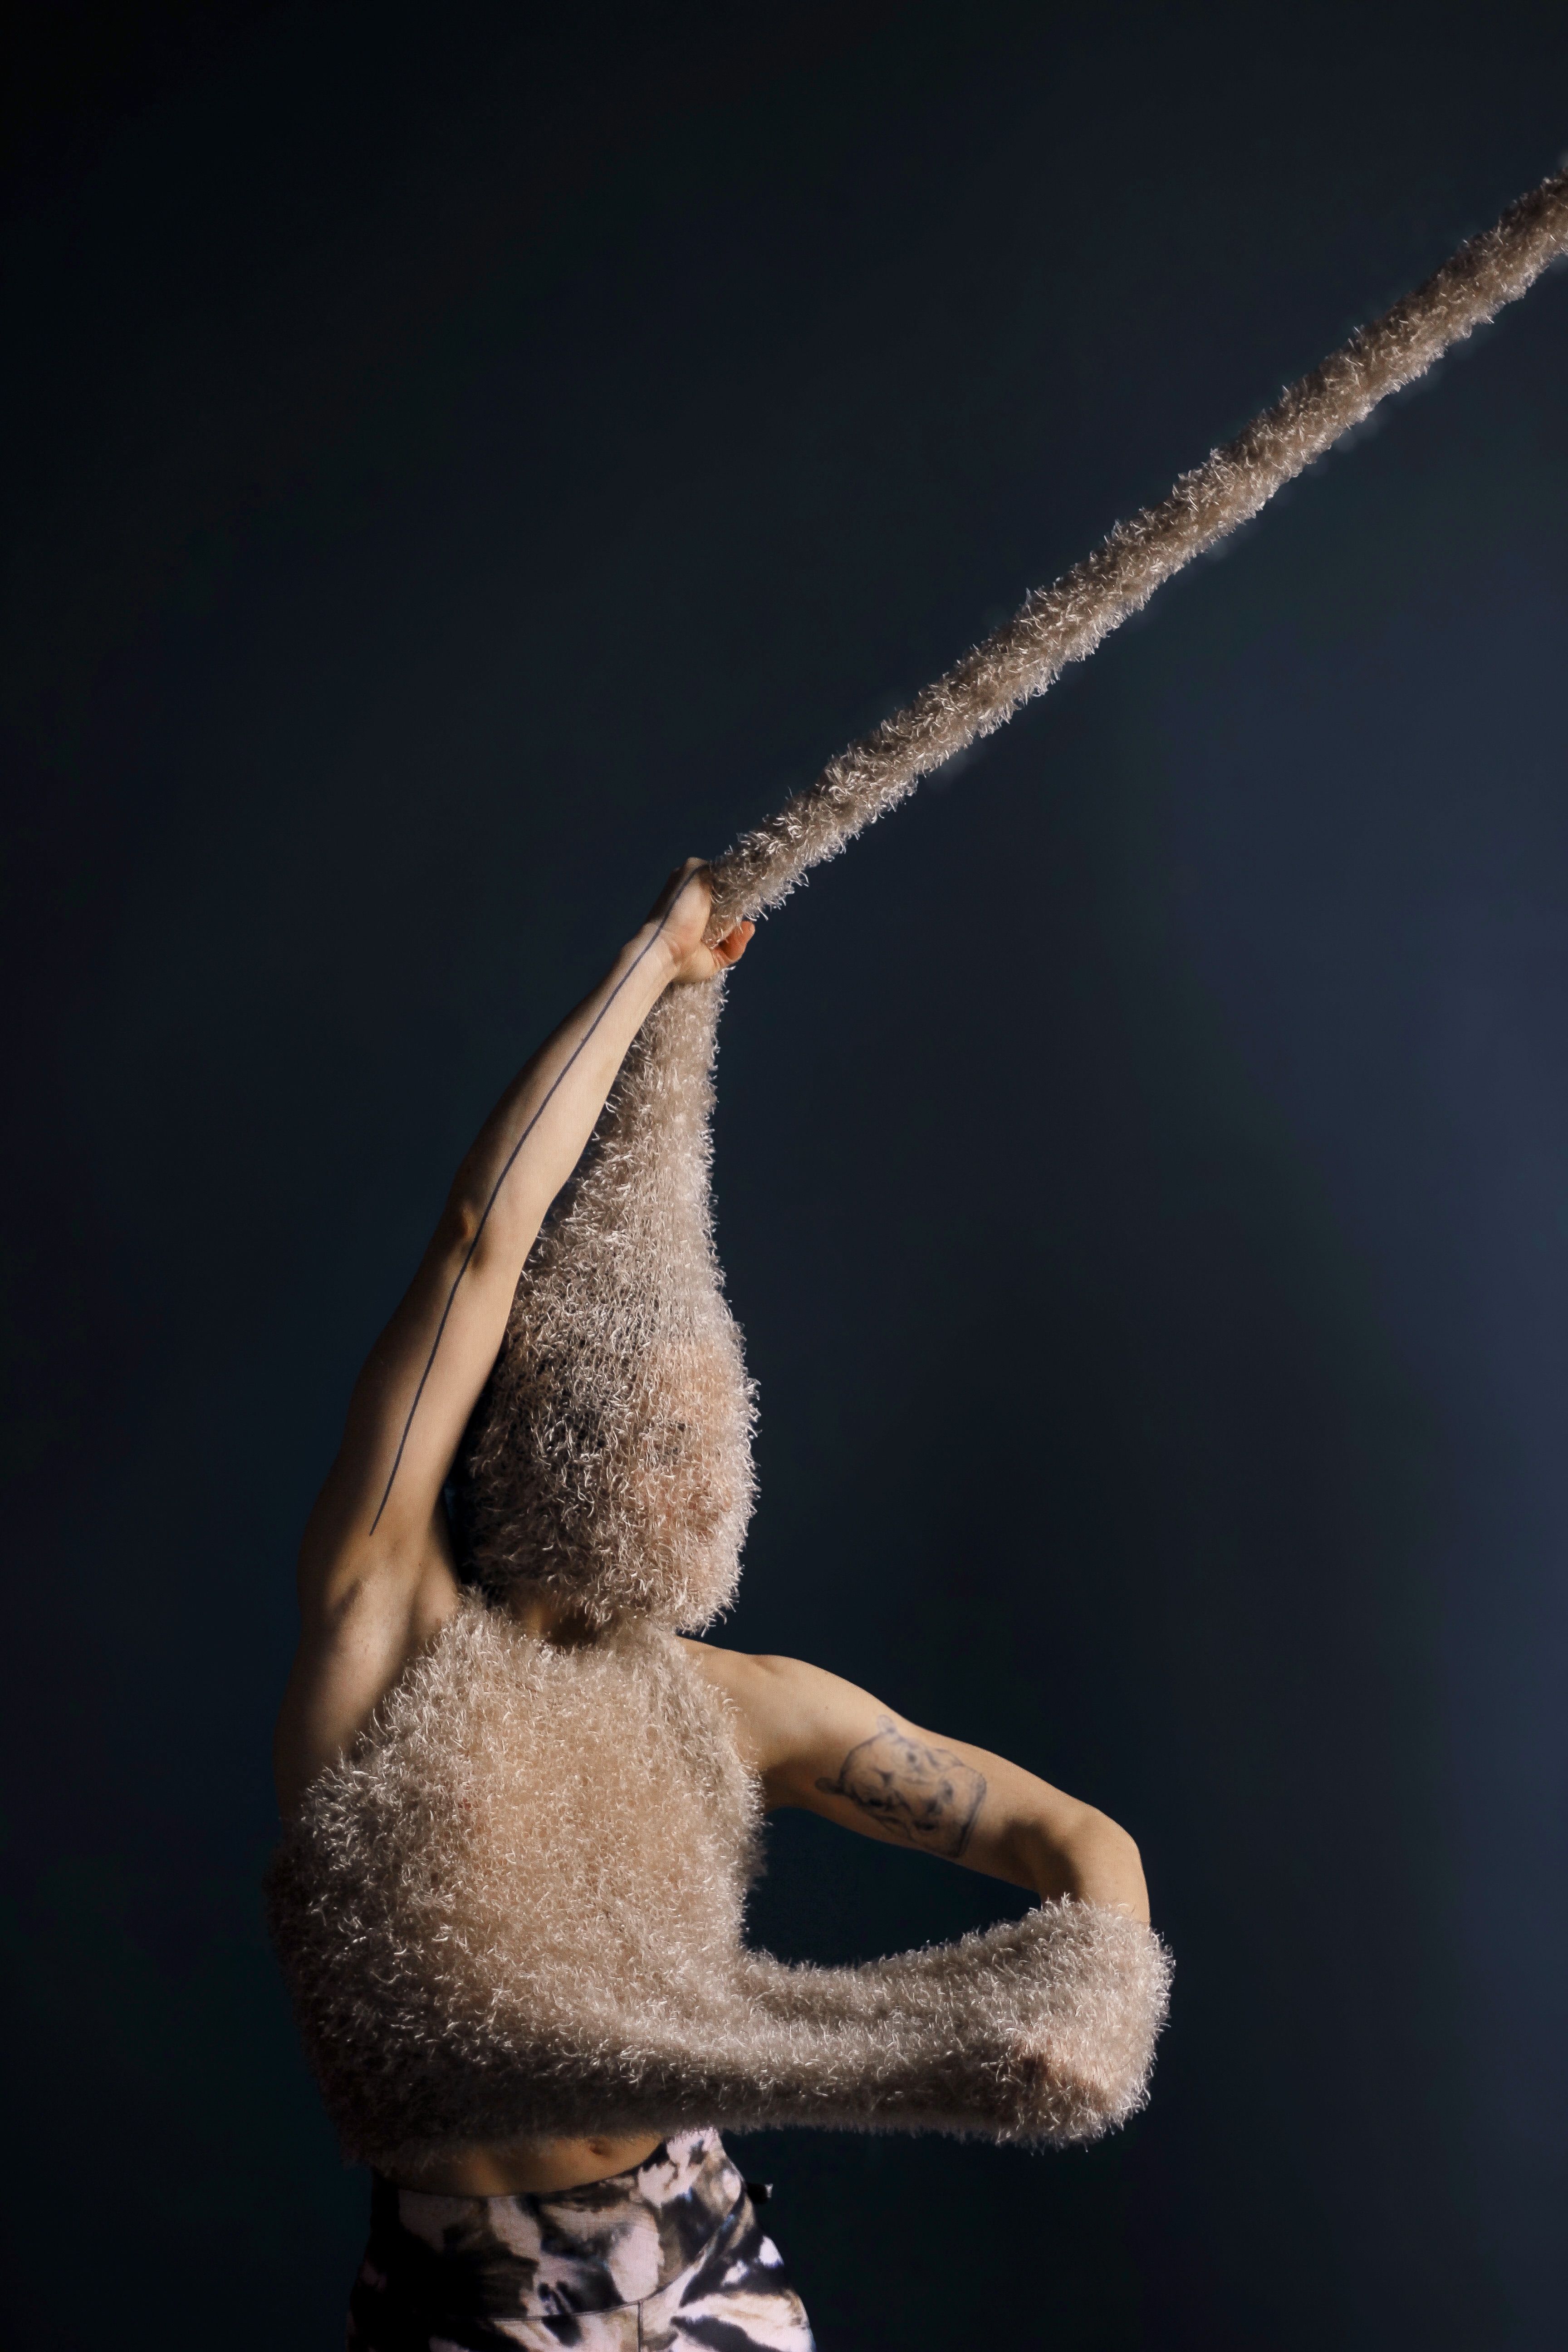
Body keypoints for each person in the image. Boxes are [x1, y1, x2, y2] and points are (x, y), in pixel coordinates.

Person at [272, 860, 1152, 2352]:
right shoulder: (385, 1629)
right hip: (469, 2296)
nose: (690, 1477)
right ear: (531, 1431)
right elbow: (483, 1241)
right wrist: (655, 972)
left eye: (709, 1438)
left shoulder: (734, 1704)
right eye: (647, 1429)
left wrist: (1101, 1992)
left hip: (704, 2258)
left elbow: (1075, 1841)